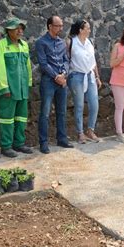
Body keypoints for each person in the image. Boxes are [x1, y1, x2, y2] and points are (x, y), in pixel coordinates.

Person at [0, 18, 33, 158]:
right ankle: (6, 146)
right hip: (9, 90)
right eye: (17, 28)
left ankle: (19, 143)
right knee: (7, 119)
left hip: (22, 89)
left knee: (21, 118)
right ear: (8, 30)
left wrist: (29, 83)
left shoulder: (24, 45)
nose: (20, 31)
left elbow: (28, 66)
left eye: (21, 28)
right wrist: (4, 87)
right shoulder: (1, 45)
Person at [36, 15, 73, 154]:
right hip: (48, 81)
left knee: (62, 111)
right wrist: (55, 76)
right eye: (58, 25)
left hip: (61, 81)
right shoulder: (41, 42)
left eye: (61, 25)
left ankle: (62, 139)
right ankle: (43, 142)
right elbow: (43, 63)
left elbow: (66, 60)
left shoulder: (61, 42)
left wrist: (63, 74)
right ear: (50, 26)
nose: (61, 28)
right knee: (45, 112)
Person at [67, 19, 102, 144]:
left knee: (94, 104)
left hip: (90, 76)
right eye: (87, 28)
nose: (89, 30)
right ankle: (80, 133)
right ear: (81, 30)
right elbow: (66, 59)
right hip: (76, 75)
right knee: (79, 105)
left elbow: (93, 62)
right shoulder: (71, 42)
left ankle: (90, 130)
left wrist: (97, 77)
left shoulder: (89, 42)